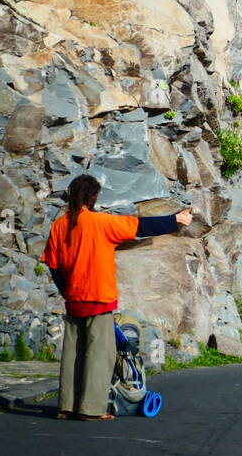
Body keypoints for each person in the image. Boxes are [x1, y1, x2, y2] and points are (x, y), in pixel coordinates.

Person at [41, 174, 192, 420]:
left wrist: (67, 291)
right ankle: (91, 409)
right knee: (99, 354)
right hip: (98, 298)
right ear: (93, 197)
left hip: (74, 299)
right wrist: (176, 219)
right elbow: (139, 226)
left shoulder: (59, 225)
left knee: (72, 354)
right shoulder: (101, 223)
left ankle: (66, 407)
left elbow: (54, 266)